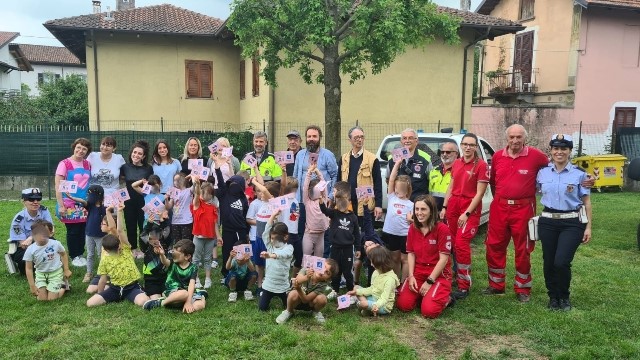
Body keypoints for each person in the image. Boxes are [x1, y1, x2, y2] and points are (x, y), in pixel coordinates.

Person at [484, 124, 593, 303]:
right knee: (494, 245)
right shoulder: (497, 156)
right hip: (500, 207)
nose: (515, 140)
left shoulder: (536, 156)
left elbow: (559, 166)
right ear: (507, 138)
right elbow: (493, 181)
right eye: (512, 137)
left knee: (523, 248)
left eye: (519, 137)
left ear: (525, 138)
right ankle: (496, 285)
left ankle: (522, 288)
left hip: (524, 208)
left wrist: (587, 177)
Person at [536, 134, 592, 311]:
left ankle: (564, 296)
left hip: (572, 222)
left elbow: (587, 202)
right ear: (551, 151)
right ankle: (553, 297)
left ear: (569, 151)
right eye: (556, 148)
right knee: (549, 261)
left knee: (561, 262)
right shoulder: (542, 172)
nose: (559, 152)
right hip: (548, 221)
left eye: (563, 149)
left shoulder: (580, 175)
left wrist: (588, 227)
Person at [441, 133, 489, 300]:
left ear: (476, 147)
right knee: (452, 244)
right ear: (461, 146)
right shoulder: (457, 163)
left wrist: (467, 213)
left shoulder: (481, 165)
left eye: (471, 145)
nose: (468, 147)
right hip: (453, 206)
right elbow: (451, 186)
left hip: (469, 208)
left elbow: (480, 193)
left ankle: (464, 285)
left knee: (461, 244)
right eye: (465, 144)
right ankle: (453, 276)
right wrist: (445, 206)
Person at [396, 195, 454, 319]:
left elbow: (443, 259)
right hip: (419, 272)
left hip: (438, 275)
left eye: (423, 209)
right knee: (403, 305)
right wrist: (411, 276)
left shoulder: (442, 229)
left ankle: (446, 298)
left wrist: (429, 281)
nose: (419, 213)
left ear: (431, 211)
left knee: (428, 312)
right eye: (417, 209)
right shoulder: (413, 228)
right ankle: (425, 296)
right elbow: (410, 254)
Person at [86, 204, 150, 308]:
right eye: (115, 249)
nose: (119, 249)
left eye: (118, 246)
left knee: (143, 301)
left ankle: (134, 294)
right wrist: (100, 293)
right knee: (90, 303)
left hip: (131, 287)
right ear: (107, 250)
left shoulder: (125, 248)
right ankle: (118, 296)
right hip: (114, 288)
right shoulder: (105, 258)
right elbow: (103, 278)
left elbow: (119, 230)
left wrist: (120, 212)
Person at [292, 125, 338, 243]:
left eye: (314, 136)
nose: (311, 139)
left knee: (323, 231)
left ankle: (322, 258)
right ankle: (304, 259)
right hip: (303, 201)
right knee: (302, 231)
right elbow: (296, 176)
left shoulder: (328, 155)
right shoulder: (300, 155)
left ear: (320, 138)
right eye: (309, 136)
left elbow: (334, 176)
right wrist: (296, 199)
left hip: (321, 201)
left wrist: (331, 197)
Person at [143, 239, 208, 313]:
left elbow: (191, 284)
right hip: (172, 292)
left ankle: (188, 301)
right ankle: (160, 303)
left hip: (186, 294)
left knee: (200, 305)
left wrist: (188, 302)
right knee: (183, 294)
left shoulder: (193, 268)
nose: (174, 254)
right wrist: (161, 254)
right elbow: (165, 261)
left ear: (187, 256)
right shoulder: (172, 263)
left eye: (178, 253)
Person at [55, 137, 92, 267]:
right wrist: (61, 205)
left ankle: (80, 254)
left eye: (84, 149)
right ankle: (74, 255)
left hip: (84, 203)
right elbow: (58, 186)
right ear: (74, 147)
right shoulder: (64, 164)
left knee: (83, 229)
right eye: (79, 147)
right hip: (68, 203)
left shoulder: (88, 164)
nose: (81, 151)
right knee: (73, 230)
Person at [212, 152, 249, 278]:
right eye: (231, 184)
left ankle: (243, 272)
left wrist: (247, 231)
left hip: (241, 229)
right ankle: (226, 273)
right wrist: (217, 166)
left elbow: (245, 215)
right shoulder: (224, 195)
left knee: (242, 251)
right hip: (228, 230)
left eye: (236, 184)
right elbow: (221, 181)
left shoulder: (243, 199)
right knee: (227, 251)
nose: (233, 186)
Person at [320, 184, 361, 295]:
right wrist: (320, 200)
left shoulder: (353, 217)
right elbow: (324, 210)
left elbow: (357, 234)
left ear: (348, 201)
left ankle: (350, 291)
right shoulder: (334, 213)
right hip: (335, 248)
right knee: (335, 270)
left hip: (348, 248)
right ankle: (335, 290)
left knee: (347, 272)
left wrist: (358, 248)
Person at [338, 126, 383, 222]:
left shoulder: (372, 159)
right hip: (347, 205)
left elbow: (378, 184)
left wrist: (378, 205)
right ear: (350, 140)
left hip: (364, 206)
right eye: (356, 137)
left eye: (362, 137)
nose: (359, 140)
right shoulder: (344, 158)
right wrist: (337, 202)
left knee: (364, 235)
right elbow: (339, 182)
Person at [275, 259, 337, 324]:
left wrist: (299, 289)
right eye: (323, 267)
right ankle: (289, 311)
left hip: (309, 304)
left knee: (323, 298)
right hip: (294, 301)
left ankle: (315, 312)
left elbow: (305, 300)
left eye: (327, 272)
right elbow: (298, 280)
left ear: (328, 279)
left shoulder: (323, 285)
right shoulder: (306, 269)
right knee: (294, 293)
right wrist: (306, 277)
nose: (323, 271)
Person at [9, 188, 54, 275]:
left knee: (56, 247)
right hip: (26, 248)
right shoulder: (18, 220)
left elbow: (51, 230)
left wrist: (31, 237)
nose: (35, 202)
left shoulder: (44, 211)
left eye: (38, 199)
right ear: (24, 201)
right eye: (31, 199)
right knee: (25, 263)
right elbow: (23, 245)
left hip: (44, 241)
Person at [120, 140, 153, 259]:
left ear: (143, 156)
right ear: (131, 153)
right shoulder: (124, 167)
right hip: (128, 202)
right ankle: (133, 248)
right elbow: (121, 183)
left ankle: (144, 249)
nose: (136, 155)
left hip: (143, 201)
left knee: (143, 226)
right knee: (130, 225)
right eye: (134, 152)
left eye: (139, 153)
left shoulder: (148, 169)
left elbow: (149, 187)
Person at [67, 185, 106, 283]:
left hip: (101, 235)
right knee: (90, 254)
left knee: (101, 254)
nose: (88, 196)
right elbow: (82, 201)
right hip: (89, 234)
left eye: (89, 194)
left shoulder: (104, 207)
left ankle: (102, 273)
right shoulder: (90, 205)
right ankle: (89, 273)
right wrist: (71, 197)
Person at [23, 221, 71, 301]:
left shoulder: (56, 244)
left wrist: (66, 269)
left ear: (50, 233)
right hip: (41, 274)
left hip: (55, 272)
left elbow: (63, 254)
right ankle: (50, 287)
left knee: (52, 299)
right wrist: (32, 286)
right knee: (41, 299)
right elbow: (29, 268)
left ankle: (64, 286)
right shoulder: (30, 249)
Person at [383, 160, 414, 283]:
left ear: (407, 190)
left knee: (404, 259)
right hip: (391, 233)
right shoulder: (391, 197)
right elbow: (391, 179)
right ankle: (395, 282)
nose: (397, 191)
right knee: (394, 258)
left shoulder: (411, 204)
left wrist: (410, 219)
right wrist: (397, 164)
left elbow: (412, 220)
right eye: (396, 188)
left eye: (401, 188)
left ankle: (403, 282)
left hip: (404, 234)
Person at [348, 246, 399, 316]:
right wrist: (356, 292)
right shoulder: (376, 272)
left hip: (383, 305)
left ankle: (365, 306)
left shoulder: (390, 279)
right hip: (373, 297)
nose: (371, 264)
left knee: (363, 304)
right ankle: (366, 307)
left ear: (380, 262)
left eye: (373, 262)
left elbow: (384, 298)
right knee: (356, 288)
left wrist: (376, 305)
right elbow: (372, 289)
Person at [258, 212, 294, 311]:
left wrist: (271, 255)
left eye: (274, 238)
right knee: (262, 308)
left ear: (285, 237)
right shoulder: (270, 246)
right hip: (269, 285)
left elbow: (284, 255)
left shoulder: (289, 248)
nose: (271, 240)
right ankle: (264, 294)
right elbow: (265, 232)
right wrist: (272, 215)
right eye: (271, 238)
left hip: (283, 286)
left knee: (289, 308)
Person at [190, 176, 221, 289]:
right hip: (198, 236)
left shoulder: (213, 208)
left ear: (211, 195)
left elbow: (215, 224)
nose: (204, 195)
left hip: (210, 237)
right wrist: (197, 185)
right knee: (196, 259)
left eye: (207, 193)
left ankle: (208, 279)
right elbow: (197, 195)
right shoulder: (197, 204)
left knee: (208, 258)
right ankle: (196, 278)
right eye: (202, 193)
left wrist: (218, 237)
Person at [386, 129, 432, 201]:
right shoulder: (392, 157)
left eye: (410, 138)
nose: (407, 141)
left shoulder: (425, 158)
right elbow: (388, 179)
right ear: (401, 141)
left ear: (416, 141)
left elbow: (431, 182)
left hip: (417, 206)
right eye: (404, 138)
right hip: (398, 204)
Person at [301, 165, 329, 257]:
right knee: (307, 257)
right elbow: (305, 188)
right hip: (309, 234)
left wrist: (317, 172)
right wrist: (309, 173)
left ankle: (317, 272)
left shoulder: (323, 200)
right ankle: (305, 271)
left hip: (321, 235)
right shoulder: (307, 201)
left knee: (319, 259)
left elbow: (323, 184)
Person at [140, 223, 171, 299]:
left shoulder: (165, 246)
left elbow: (168, 231)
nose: (154, 241)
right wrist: (149, 224)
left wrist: (165, 221)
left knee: (166, 296)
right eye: (151, 238)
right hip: (151, 280)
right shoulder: (146, 247)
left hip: (165, 278)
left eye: (157, 238)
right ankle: (146, 289)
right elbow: (142, 236)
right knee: (156, 298)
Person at [429, 141, 458, 211]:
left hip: (451, 210)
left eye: (448, 152)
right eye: (442, 152)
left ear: (456, 154)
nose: (444, 154)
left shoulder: (459, 171)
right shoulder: (434, 171)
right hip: (434, 210)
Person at [166, 172, 193, 245]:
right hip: (175, 221)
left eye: (178, 180)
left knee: (186, 242)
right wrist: (166, 199)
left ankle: (187, 256)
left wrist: (192, 176)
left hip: (186, 221)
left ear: (183, 180)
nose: (175, 182)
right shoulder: (173, 191)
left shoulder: (189, 190)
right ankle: (178, 256)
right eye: (174, 180)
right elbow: (169, 206)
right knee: (177, 243)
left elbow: (196, 185)